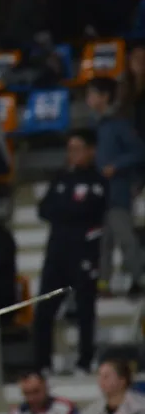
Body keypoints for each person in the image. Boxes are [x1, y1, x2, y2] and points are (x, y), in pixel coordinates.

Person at [34, 130, 107, 374]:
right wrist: (71, 210)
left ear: (91, 150)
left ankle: (85, 360)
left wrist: (65, 209)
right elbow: (43, 209)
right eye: (70, 149)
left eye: (77, 148)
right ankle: (42, 363)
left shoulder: (97, 180)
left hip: (84, 252)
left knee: (85, 308)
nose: (72, 154)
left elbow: (90, 209)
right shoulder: (61, 177)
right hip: (57, 253)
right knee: (44, 308)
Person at [88, 77, 145, 295]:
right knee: (103, 242)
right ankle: (103, 283)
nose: (89, 99)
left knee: (126, 238)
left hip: (118, 192)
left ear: (104, 97)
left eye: (93, 94)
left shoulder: (119, 124)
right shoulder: (94, 126)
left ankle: (136, 279)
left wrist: (117, 166)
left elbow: (139, 151)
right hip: (98, 193)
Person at [118, 44, 145, 142]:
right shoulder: (121, 84)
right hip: (127, 135)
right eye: (137, 58)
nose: (141, 62)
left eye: (144, 58)